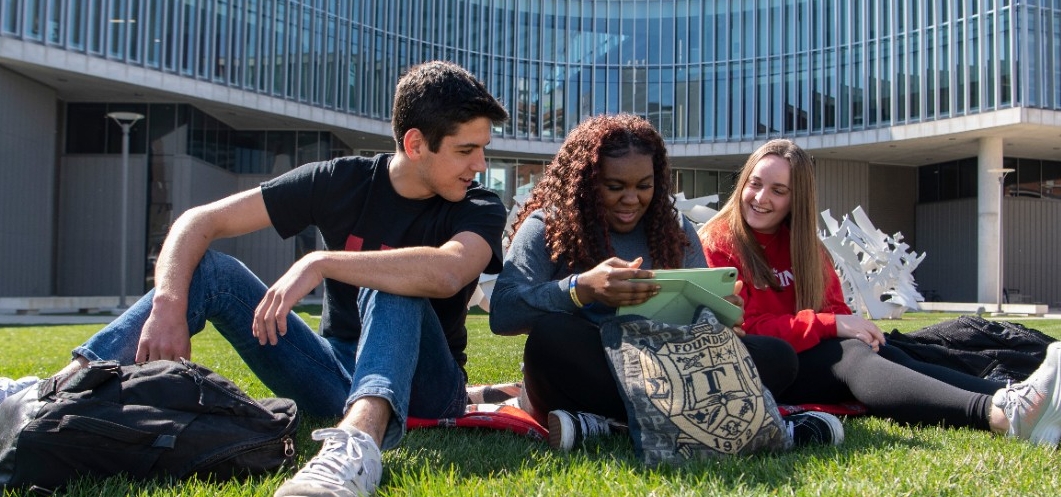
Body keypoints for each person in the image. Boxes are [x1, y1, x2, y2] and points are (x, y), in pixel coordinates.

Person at [0, 61, 510, 497]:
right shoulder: (342, 181)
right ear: (416, 143)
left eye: (482, 150)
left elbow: (446, 273)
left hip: (430, 389)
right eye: (467, 151)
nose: (480, 165)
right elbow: (198, 222)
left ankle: (355, 451)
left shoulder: (481, 205)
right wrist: (169, 305)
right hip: (335, 373)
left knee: (393, 278)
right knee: (214, 272)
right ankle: (59, 389)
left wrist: (319, 262)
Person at [489, 114, 842, 452]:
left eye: (644, 186)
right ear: (586, 181)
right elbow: (503, 313)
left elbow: (707, 331)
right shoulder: (547, 225)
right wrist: (580, 289)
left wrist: (721, 315)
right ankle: (694, 423)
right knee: (550, 337)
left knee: (778, 357)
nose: (632, 199)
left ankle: (606, 424)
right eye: (614, 187)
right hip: (593, 365)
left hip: (667, 368)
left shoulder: (674, 230)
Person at [697, 138, 1061, 445]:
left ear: (796, 199)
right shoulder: (715, 243)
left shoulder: (805, 247)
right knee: (852, 357)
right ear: (742, 182)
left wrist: (843, 326)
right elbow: (745, 329)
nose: (761, 198)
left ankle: (1008, 399)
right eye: (754, 183)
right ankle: (999, 414)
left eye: (778, 191)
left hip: (808, 357)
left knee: (881, 351)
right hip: (761, 366)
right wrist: (829, 325)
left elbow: (835, 309)